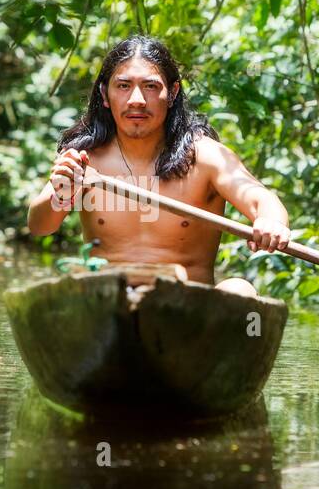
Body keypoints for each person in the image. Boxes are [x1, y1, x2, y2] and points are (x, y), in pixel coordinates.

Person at [26, 35, 291, 296]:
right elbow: (40, 226)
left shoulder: (204, 157)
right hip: (110, 308)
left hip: (186, 312)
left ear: (172, 92)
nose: (137, 100)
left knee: (239, 289)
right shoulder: (84, 159)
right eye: (123, 86)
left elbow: (259, 197)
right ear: (105, 94)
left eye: (151, 86)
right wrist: (62, 191)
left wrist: (271, 222)